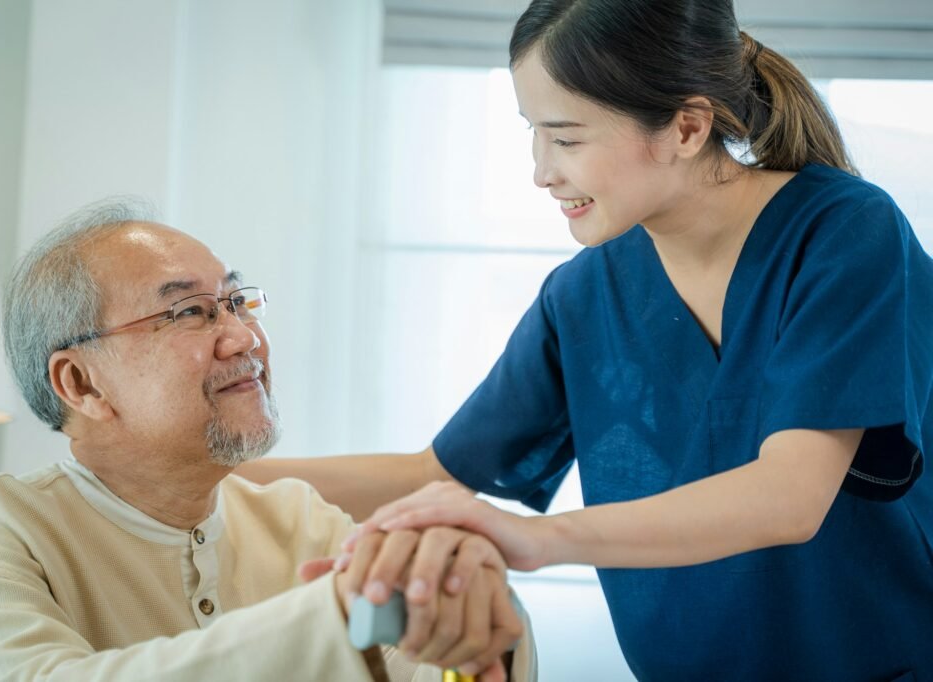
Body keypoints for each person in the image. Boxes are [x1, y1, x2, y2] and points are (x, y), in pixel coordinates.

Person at [239, 0, 933, 679]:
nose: (542, 170)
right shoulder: (584, 294)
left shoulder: (843, 233)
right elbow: (434, 474)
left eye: (567, 138)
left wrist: (537, 540)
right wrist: (199, 477)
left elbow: (790, 494)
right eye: (533, 134)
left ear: (687, 127)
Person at [0, 200, 534, 682]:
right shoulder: (2, 530)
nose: (243, 337)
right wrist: (326, 619)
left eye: (237, 302)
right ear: (81, 383)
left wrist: (472, 615)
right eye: (190, 312)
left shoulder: (300, 520)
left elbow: (434, 672)